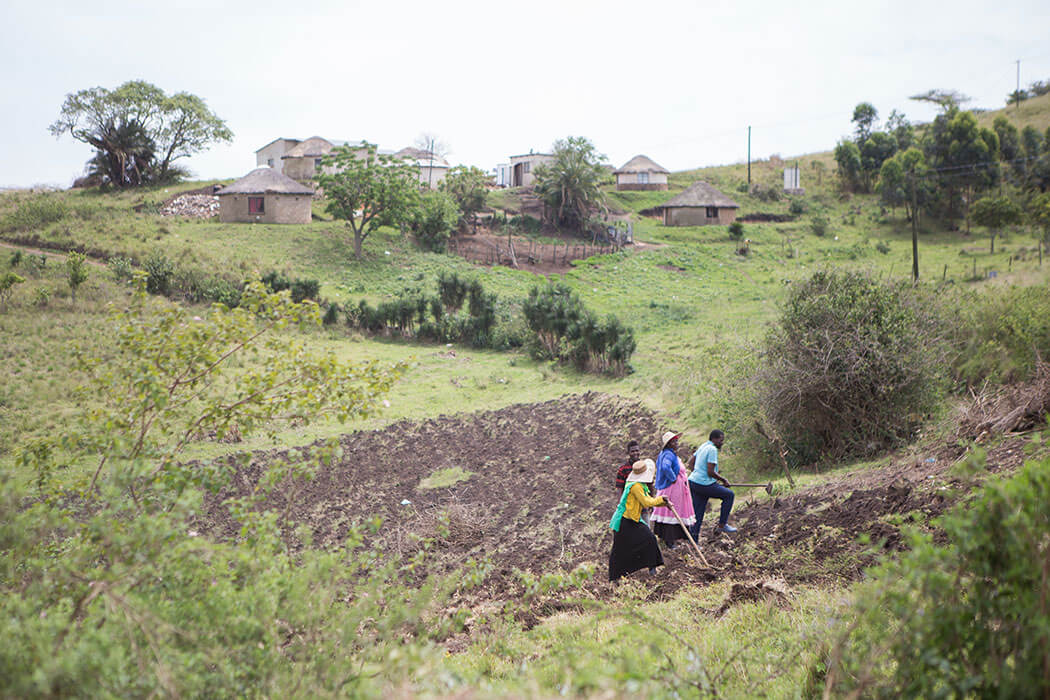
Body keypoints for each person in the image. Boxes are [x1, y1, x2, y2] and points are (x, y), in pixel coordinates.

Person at [608, 459, 668, 581]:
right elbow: (646, 502)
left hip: (633, 519)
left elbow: (648, 499)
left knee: (649, 538)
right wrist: (662, 500)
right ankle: (614, 577)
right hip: (623, 521)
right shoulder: (635, 486)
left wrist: (663, 502)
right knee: (619, 549)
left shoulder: (641, 485)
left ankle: (652, 567)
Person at [649, 431, 696, 549]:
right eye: (674, 441)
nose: (677, 443)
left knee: (670, 512)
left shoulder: (667, 453)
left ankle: (670, 539)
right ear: (669, 444)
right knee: (671, 512)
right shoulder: (669, 455)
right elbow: (665, 467)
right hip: (672, 488)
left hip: (673, 487)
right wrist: (673, 478)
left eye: (676, 441)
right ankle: (670, 541)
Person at [687, 429, 736, 538]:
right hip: (703, 484)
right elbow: (710, 472)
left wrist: (698, 472)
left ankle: (693, 540)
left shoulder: (703, 446)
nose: (721, 442)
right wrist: (723, 480)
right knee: (729, 495)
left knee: (698, 513)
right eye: (720, 440)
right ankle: (722, 525)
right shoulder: (712, 449)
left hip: (693, 482)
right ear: (714, 439)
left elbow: (690, 463)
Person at [614, 439, 651, 527]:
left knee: (646, 531)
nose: (635, 453)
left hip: (643, 505)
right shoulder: (623, 469)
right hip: (630, 506)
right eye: (632, 451)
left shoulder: (645, 467)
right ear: (628, 453)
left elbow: (650, 485)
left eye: (637, 450)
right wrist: (620, 506)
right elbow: (620, 488)